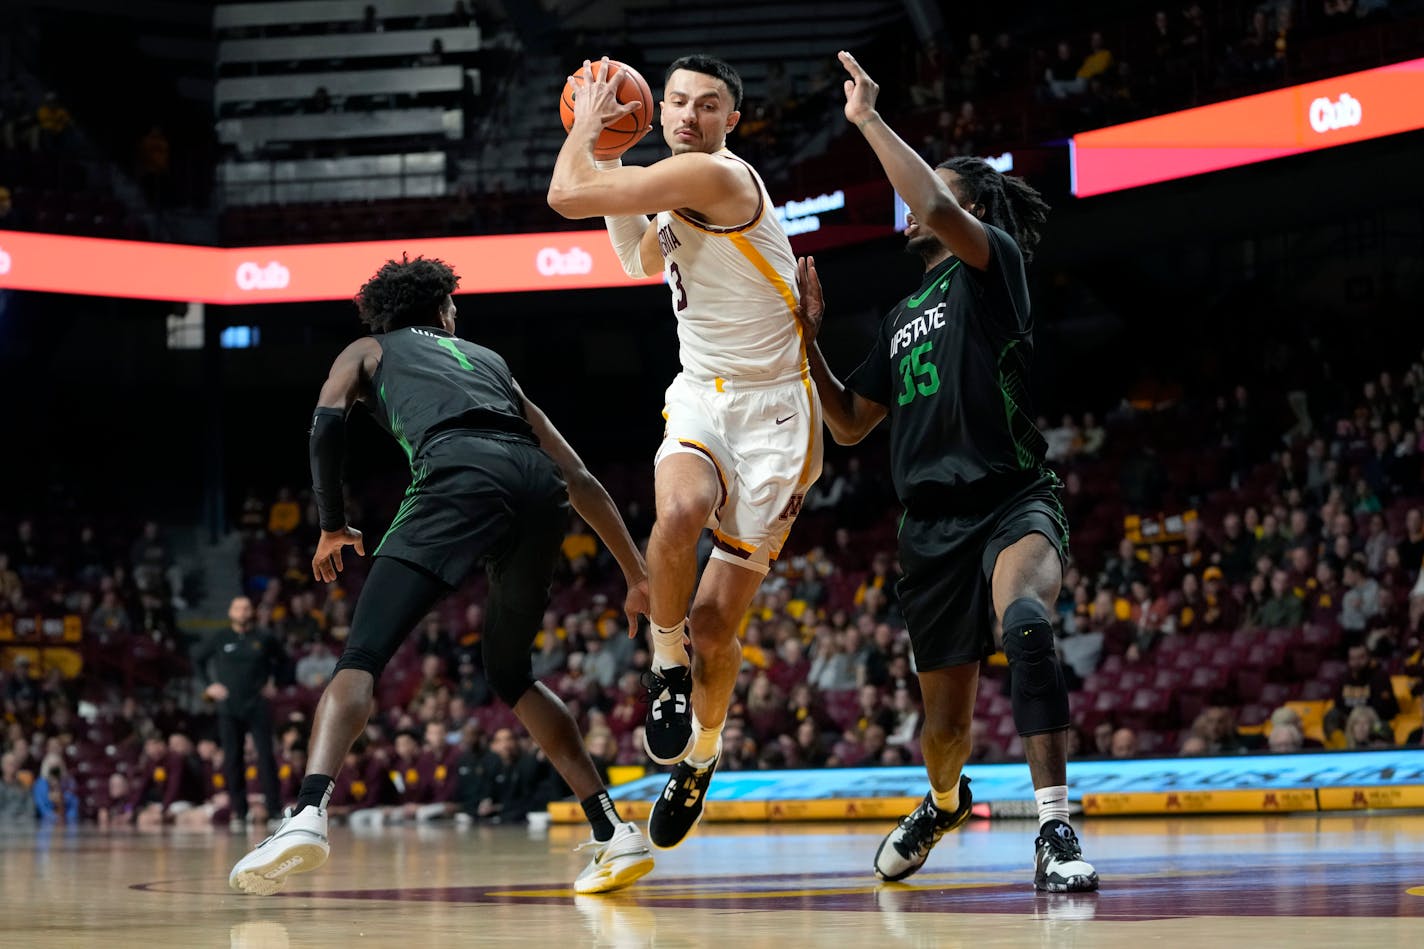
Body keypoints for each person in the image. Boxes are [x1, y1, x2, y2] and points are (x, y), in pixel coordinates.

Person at [227, 255, 653, 896]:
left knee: (362, 655)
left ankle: (307, 814)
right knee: (512, 675)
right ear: (442, 309)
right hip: (537, 490)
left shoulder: (366, 348)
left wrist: (332, 523)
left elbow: (325, 425)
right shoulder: (490, 362)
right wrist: (637, 574)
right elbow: (580, 475)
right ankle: (614, 831)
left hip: (458, 473)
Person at [790, 51, 1097, 893]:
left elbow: (924, 195)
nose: (910, 212)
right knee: (944, 732)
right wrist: (808, 340)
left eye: (933, 198)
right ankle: (943, 799)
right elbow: (850, 424)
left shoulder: (992, 263)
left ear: (970, 206)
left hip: (1009, 497)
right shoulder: (897, 315)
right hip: (928, 529)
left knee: (1026, 622)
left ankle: (1057, 828)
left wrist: (866, 122)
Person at [547, 54, 822, 849]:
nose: (687, 116)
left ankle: (701, 754)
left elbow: (565, 194)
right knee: (679, 509)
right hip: (704, 389)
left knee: (715, 622)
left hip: (776, 416)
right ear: (658, 108)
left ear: (731, 120)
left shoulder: (718, 178)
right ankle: (665, 668)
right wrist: (607, 155)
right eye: (673, 102)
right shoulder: (673, 190)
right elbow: (636, 256)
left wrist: (590, 128)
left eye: (707, 106)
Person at [192, 596, 285, 829]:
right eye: (238, 608)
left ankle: (274, 810)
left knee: (265, 756)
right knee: (232, 758)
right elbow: (197, 660)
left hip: (257, 704)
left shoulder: (264, 637)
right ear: (231, 612)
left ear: (251, 611)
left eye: (246, 607)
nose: (242, 612)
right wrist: (209, 686)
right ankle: (239, 811)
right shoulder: (221, 637)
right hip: (229, 706)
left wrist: (275, 682)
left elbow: (284, 661)